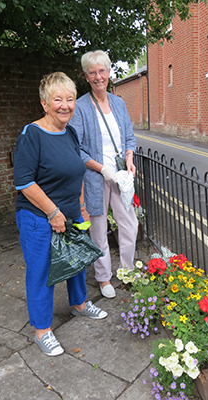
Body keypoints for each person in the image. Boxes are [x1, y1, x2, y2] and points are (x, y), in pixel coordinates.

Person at [13, 72, 107, 357]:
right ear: (44, 103)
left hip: (69, 213)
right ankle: (42, 330)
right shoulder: (32, 135)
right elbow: (25, 182)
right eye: (58, 99)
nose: (65, 105)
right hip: (38, 216)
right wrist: (53, 212)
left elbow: (75, 168)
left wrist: (78, 205)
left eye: (70, 99)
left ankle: (79, 305)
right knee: (42, 272)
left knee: (76, 263)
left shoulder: (69, 132)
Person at [69, 50, 138, 299]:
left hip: (120, 177)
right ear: (87, 76)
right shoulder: (80, 108)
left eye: (102, 71)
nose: (98, 76)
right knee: (98, 229)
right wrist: (102, 168)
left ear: (109, 72)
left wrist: (129, 160)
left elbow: (129, 137)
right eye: (92, 72)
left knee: (129, 224)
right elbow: (76, 149)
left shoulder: (118, 103)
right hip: (96, 178)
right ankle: (103, 277)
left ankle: (128, 271)